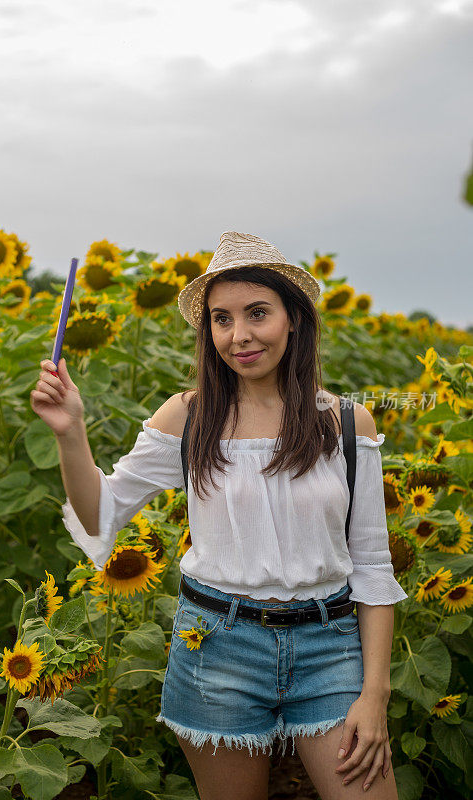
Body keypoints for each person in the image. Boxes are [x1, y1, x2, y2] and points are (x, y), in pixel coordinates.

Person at [31, 230, 408, 800]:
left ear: (294, 320)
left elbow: (374, 569)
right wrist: (71, 433)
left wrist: (374, 694)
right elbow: (99, 514)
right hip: (218, 646)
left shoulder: (347, 425)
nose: (240, 335)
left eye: (258, 313)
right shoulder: (189, 417)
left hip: (331, 647)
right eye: (221, 319)